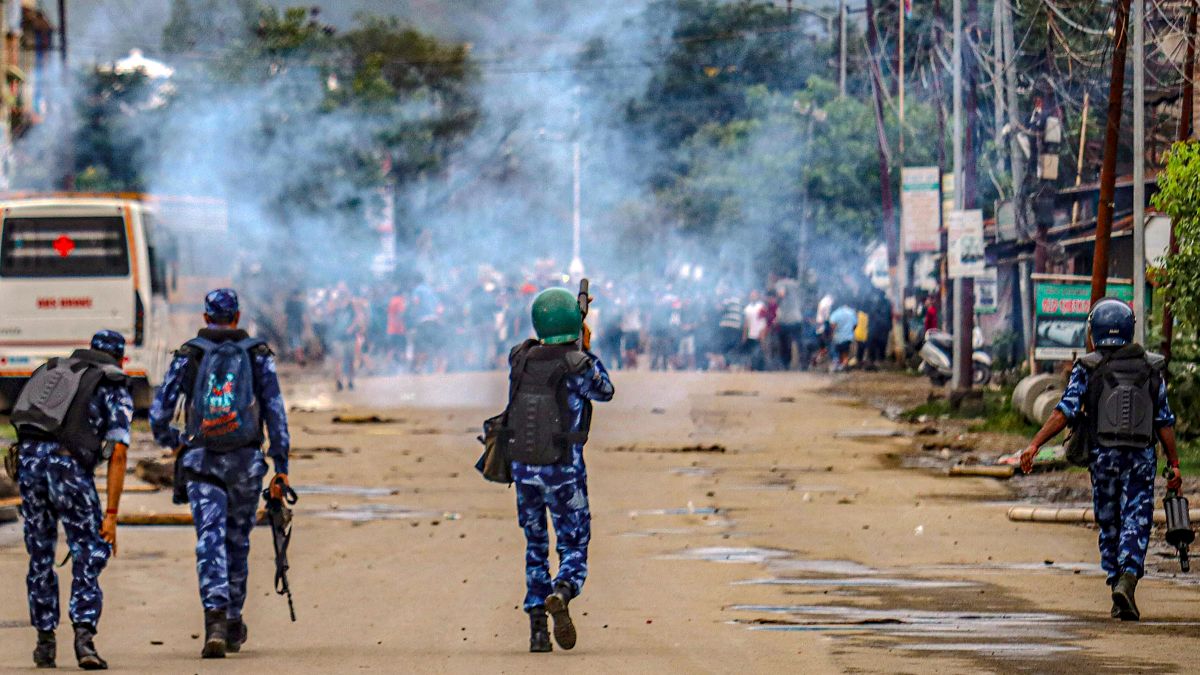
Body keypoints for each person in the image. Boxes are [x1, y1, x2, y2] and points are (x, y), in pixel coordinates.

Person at [149, 289, 291, 659]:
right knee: (237, 542)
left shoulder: (189, 354)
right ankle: (233, 619)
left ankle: (213, 619)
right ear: (238, 315)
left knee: (208, 540)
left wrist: (176, 441)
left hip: (202, 463)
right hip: (245, 463)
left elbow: (158, 412)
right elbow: (275, 411)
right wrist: (281, 466)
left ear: (206, 315)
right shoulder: (258, 355)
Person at [1020, 299, 1178, 621]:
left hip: (1103, 456)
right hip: (1141, 457)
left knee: (1109, 522)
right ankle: (1128, 579)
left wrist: (1035, 444)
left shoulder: (1087, 367)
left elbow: (1064, 410)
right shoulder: (1151, 367)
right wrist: (1174, 464)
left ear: (1094, 332)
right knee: (1137, 518)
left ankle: (1115, 583)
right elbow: (1164, 420)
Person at [9, 330, 132, 670]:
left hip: (30, 466)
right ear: (119, 357)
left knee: (40, 556)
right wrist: (110, 515)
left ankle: (44, 642)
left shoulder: (59, 371)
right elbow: (118, 452)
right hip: (68, 470)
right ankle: (84, 640)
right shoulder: (111, 383)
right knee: (89, 550)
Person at [505, 288, 614, 653]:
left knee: (535, 546)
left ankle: (538, 630)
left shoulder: (520, 358)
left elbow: (543, 351)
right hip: (563, 471)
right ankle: (562, 592)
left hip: (524, 469)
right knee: (573, 543)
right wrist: (584, 348)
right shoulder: (579, 365)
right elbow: (605, 390)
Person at [828, 300, 858, 372]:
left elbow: (832, 324)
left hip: (838, 337)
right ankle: (843, 367)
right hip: (848, 337)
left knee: (837, 352)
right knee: (845, 353)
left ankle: (838, 367)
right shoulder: (852, 312)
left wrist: (833, 333)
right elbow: (855, 325)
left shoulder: (836, 313)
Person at [743, 290, 767, 371]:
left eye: (754, 295)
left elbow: (764, 320)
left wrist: (763, 333)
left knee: (760, 351)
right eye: (751, 295)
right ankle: (752, 368)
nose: (753, 297)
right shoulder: (747, 308)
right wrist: (744, 335)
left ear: (757, 296)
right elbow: (746, 322)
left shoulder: (761, 306)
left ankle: (761, 369)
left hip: (759, 333)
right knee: (751, 352)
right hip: (751, 333)